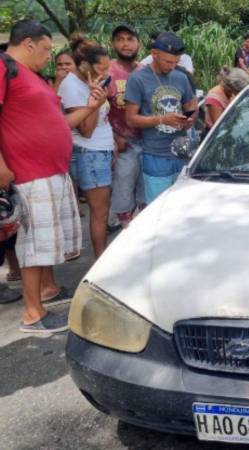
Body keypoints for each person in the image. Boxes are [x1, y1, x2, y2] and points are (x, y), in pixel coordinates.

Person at [0, 20, 82, 332]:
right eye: (46, 48)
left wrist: (90, 106)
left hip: (51, 172)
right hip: (29, 173)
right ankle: (32, 313)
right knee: (33, 243)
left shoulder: (31, 76)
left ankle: (45, 294)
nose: (50, 55)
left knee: (45, 242)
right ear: (28, 43)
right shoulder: (4, 67)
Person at [125, 32, 197, 204]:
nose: (172, 66)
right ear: (154, 54)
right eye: (168, 61)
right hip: (155, 155)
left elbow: (191, 106)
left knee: (182, 206)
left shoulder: (181, 77)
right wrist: (162, 120)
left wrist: (190, 119)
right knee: (159, 207)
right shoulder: (137, 79)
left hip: (182, 153)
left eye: (176, 62)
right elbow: (131, 119)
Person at [58, 35, 113, 259]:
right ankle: (101, 260)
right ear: (84, 66)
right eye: (101, 70)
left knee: (103, 210)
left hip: (101, 151)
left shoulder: (88, 82)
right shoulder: (71, 86)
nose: (106, 74)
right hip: (89, 153)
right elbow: (86, 130)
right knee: (99, 212)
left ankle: (103, 258)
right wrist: (96, 99)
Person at [107, 24, 145, 228]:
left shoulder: (145, 71)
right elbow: (96, 110)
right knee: (122, 193)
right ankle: (124, 235)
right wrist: (114, 138)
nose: (125, 44)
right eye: (120, 39)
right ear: (113, 43)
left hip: (147, 142)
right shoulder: (107, 71)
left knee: (146, 193)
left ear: (138, 43)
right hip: (123, 144)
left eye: (130, 39)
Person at [204, 67, 249, 131]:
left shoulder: (231, 93)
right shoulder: (214, 98)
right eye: (239, 91)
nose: (239, 93)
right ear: (232, 87)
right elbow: (219, 128)